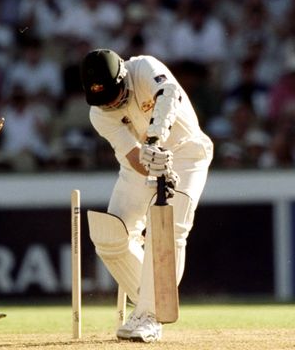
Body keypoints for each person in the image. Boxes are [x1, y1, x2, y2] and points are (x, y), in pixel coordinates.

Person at [80, 48, 213, 342]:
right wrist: (152, 164)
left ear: (122, 76)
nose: (112, 103)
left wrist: (154, 140)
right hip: (142, 164)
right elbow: (132, 157)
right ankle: (150, 303)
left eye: (114, 94)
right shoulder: (100, 115)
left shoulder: (144, 68)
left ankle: (151, 316)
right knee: (109, 235)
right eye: (104, 101)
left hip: (187, 155)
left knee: (169, 230)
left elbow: (169, 94)